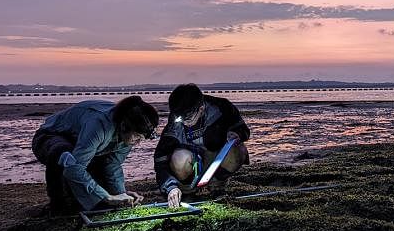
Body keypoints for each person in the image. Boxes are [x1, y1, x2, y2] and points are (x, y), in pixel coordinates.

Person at [31, 96, 159, 214]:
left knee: (97, 196)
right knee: (66, 158)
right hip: (51, 138)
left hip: (84, 146)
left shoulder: (128, 135)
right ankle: (57, 203)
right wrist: (106, 196)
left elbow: (112, 165)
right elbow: (74, 168)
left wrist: (121, 194)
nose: (137, 142)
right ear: (124, 125)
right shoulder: (99, 125)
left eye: (141, 139)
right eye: (137, 136)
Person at [154, 84, 250, 208]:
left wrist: (236, 133)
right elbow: (160, 158)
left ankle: (217, 186)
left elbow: (244, 131)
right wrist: (170, 187)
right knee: (179, 158)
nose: (184, 122)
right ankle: (187, 191)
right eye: (179, 118)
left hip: (215, 159)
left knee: (239, 149)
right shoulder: (175, 122)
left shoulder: (221, 108)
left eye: (188, 118)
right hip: (191, 163)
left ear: (201, 109)